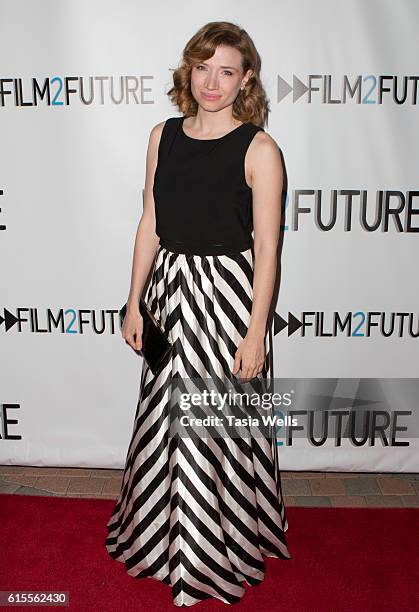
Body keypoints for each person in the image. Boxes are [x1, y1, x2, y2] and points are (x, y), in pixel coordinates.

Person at [105, 20, 291, 607]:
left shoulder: (260, 148)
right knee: (165, 423)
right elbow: (150, 224)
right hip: (168, 294)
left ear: (246, 80)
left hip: (228, 300)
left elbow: (268, 250)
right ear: (190, 69)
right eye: (203, 67)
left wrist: (257, 331)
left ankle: (218, 548)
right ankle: (164, 541)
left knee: (217, 423)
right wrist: (134, 300)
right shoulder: (162, 135)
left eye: (226, 70)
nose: (212, 81)